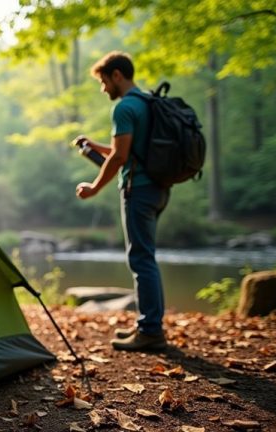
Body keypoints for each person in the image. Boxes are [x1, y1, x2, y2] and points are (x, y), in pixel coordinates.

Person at [73, 51, 170, 351]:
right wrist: (94, 146)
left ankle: (150, 331)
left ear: (117, 75)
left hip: (137, 190)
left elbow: (119, 157)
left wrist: (94, 188)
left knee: (141, 259)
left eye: (104, 82)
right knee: (146, 257)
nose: (103, 89)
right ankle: (149, 325)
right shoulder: (148, 102)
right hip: (159, 188)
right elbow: (126, 149)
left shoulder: (125, 107)